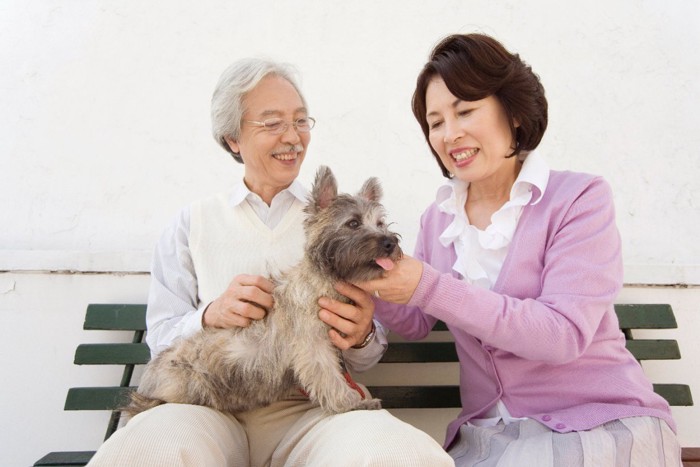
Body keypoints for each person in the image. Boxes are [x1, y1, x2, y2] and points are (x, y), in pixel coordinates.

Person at [87, 58, 454, 466]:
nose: (293, 137)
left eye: (300, 121)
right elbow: (160, 339)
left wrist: (363, 334)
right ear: (232, 139)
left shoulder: (342, 224)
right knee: (151, 448)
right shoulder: (191, 224)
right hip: (206, 405)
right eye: (272, 122)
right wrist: (210, 315)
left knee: (396, 453)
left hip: (310, 411)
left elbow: (366, 355)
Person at [356, 33, 682, 466]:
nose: (450, 133)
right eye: (435, 122)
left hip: (598, 425)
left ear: (510, 111)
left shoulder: (578, 199)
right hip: (492, 438)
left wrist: (429, 286)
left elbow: (562, 335)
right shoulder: (440, 219)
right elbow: (416, 320)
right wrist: (364, 277)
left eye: (465, 110)